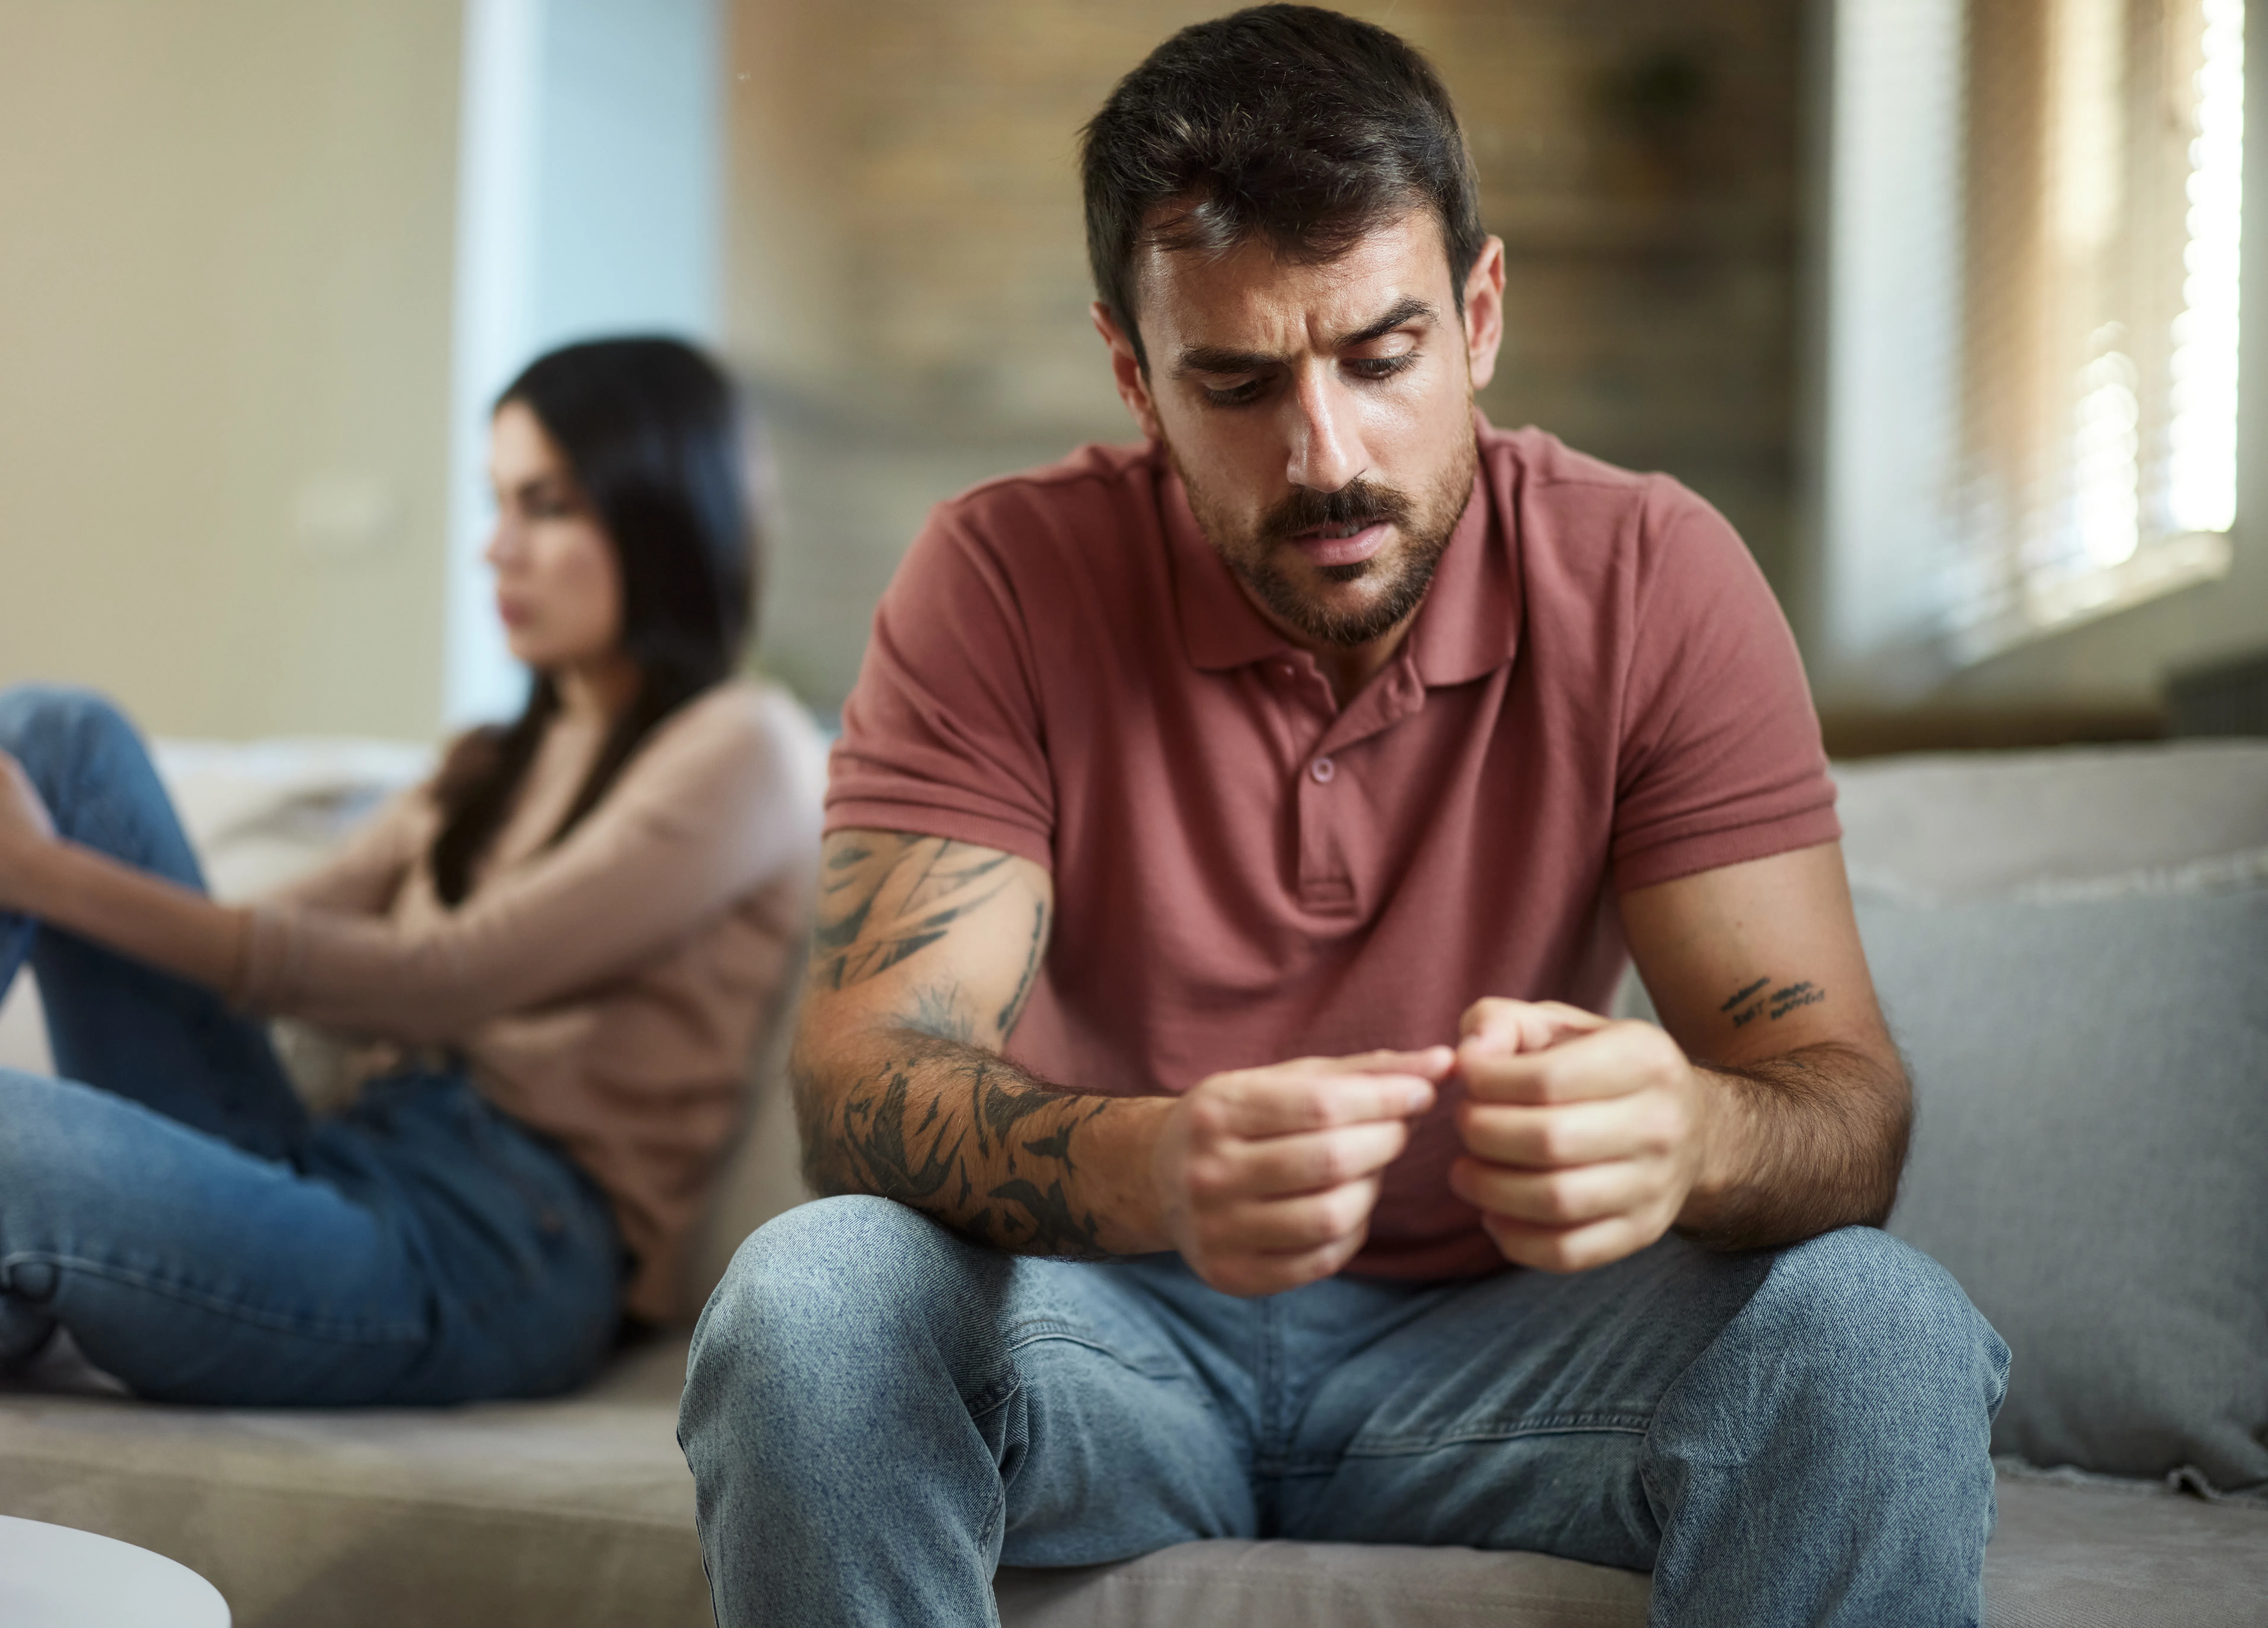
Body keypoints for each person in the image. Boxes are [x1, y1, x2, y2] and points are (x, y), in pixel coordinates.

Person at [678, 9, 2008, 1625]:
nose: (1328, 458)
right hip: (1111, 1329)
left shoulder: (1656, 574)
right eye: (1235, 383)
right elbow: (862, 1088)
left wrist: (1694, 1132)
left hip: (1518, 1351)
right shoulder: (1002, 580)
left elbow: (1844, 1110)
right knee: (809, 1296)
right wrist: (1157, 1163)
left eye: (1383, 359)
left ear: (1482, 314)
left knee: (1879, 1325)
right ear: (1133, 373)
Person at [0, 336, 822, 1406]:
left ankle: (33, 1279)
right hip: (331, 1157)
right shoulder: (487, 761)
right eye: (496, 504)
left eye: (549, 506)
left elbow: (445, 976)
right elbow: (259, 936)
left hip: (502, 1249)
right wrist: (23, 852)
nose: (497, 550)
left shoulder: (746, 743)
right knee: (51, 731)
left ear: (666, 513)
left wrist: (37, 873)